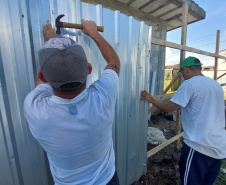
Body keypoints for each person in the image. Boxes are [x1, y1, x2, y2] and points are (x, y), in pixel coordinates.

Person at [24, 19, 120, 185]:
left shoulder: (34, 108)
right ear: (89, 69)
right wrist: (94, 33)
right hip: (108, 180)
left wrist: (52, 42)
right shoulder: (104, 96)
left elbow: (44, 84)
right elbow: (114, 62)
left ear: (42, 76)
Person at [141, 56, 226, 185]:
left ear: (186, 70)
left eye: (181, 72)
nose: (182, 76)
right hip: (219, 147)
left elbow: (169, 109)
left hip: (199, 146)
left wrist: (151, 99)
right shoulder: (216, 85)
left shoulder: (190, 84)